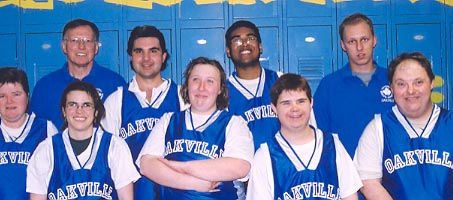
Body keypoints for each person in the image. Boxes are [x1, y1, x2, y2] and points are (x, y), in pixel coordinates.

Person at [137, 57, 254, 199]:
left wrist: (181, 166)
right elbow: (147, 165)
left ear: (220, 89)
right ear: (187, 86)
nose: (201, 87)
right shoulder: (168, 120)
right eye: (195, 80)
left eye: (210, 81)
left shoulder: (234, 123)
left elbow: (239, 167)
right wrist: (192, 182)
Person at [246, 73, 362, 200]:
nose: (295, 108)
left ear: (311, 103)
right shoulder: (265, 156)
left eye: (301, 101)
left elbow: (350, 196)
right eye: (286, 103)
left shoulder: (333, 145)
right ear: (274, 108)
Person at [354, 52, 453, 199]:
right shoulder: (378, 128)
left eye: (418, 82)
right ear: (391, 88)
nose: (411, 90)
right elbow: (368, 181)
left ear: (431, 83)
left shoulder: (449, 124)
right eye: (401, 84)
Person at [102, 25, 181, 200]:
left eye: (153, 51)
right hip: (130, 194)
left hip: (176, 192)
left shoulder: (183, 97)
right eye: (139, 51)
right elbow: (107, 158)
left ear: (163, 56)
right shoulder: (116, 101)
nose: (146, 58)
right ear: (131, 57)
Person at [26, 81, 140, 199]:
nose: (79, 111)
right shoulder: (46, 150)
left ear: (96, 112)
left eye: (86, 105)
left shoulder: (114, 146)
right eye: (72, 105)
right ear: (64, 111)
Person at [0, 67, 58, 200]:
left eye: (16, 94)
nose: (9, 101)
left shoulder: (47, 130)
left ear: (27, 96)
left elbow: (58, 183)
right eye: (2, 96)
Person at [313, 13, 394, 157]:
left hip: (390, 172)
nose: (359, 47)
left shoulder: (393, 80)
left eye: (364, 39)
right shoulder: (328, 86)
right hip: (346, 173)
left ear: (374, 40)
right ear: (343, 45)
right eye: (352, 41)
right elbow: (319, 136)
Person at [30, 18, 126, 129]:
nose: (81, 46)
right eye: (74, 40)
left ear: (96, 48)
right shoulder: (44, 86)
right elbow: (36, 131)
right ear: (64, 46)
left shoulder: (115, 84)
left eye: (87, 41)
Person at [225, 20, 282, 151]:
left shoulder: (281, 80)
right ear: (228, 51)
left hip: (282, 166)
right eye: (236, 40)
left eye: (250, 38)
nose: (244, 44)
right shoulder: (221, 92)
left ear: (260, 47)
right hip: (245, 169)